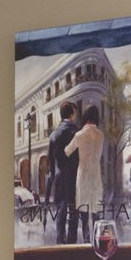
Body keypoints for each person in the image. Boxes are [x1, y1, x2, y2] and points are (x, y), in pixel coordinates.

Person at [72, 104, 107, 239]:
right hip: (96, 177)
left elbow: (67, 151)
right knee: (96, 211)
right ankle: (97, 239)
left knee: (84, 212)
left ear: (85, 117)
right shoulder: (101, 135)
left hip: (83, 177)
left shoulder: (79, 135)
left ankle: (86, 240)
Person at [48, 103, 80, 243]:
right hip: (74, 178)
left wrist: (52, 181)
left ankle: (60, 241)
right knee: (74, 211)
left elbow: (51, 163)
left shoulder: (54, 135)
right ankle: (71, 244)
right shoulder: (77, 133)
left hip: (60, 178)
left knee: (61, 211)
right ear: (72, 113)